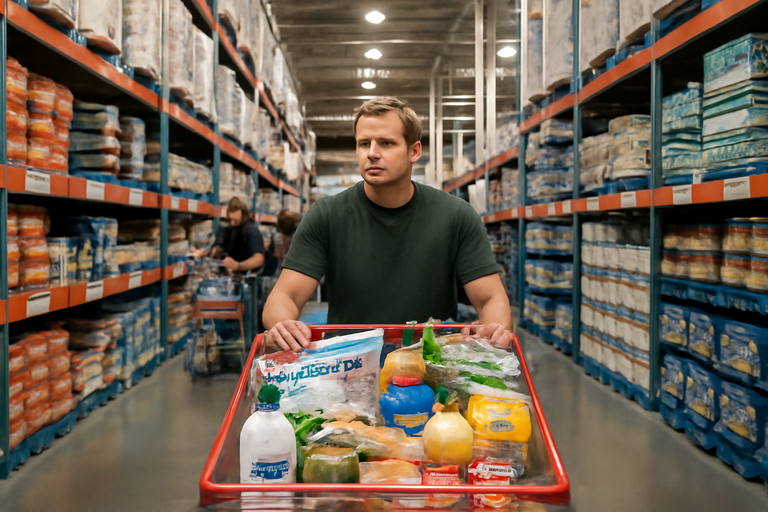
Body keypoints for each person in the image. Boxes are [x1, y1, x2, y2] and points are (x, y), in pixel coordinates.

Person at [263, 97, 513, 351]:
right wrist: (283, 323)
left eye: (386, 143)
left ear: (414, 151)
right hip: (350, 370)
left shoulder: (456, 215)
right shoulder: (326, 215)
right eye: (364, 143)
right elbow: (285, 296)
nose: (372, 152)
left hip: (433, 371)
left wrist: (494, 330)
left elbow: (490, 298)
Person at [197, 197, 266, 273]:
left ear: (242, 214)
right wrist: (216, 251)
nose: (232, 223)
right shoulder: (229, 230)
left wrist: (238, 265)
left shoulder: (252, 231)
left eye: (235, 221)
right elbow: (222, 246)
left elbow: (259, 259)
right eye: (230, 220)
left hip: (246, 275)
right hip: (231, 274)